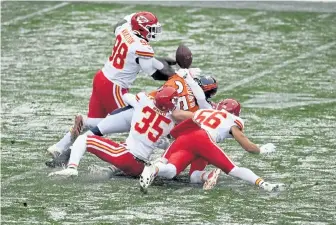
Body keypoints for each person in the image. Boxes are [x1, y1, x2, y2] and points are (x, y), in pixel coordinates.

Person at [47, 11, 174, 159]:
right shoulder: (143, 48)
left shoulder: (125, 29)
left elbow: (120, 23)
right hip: (115, 86)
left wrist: (161, 63)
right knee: (127, 121)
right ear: (141, 28)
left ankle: (59, 147)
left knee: (95, 125)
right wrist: (174, 76)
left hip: (102, 77)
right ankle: (86, 128)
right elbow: (154, 73)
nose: (154, 32)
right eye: (151, 28)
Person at [45, 69, 218, 169]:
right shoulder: (197, 109)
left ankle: (65, 145)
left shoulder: (179, 78)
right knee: (97, 134)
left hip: (139, 108)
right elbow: (180, 122)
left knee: (99, 130)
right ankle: (66, 151)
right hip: (153, 120)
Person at [140, 99, 286, 192]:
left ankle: (156, 168)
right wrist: (259, 150)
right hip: (203, 139)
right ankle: (263, 184)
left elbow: (178, 115)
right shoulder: (231, 119)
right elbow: (246, 145)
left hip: (185, 136)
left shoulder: (203, 111)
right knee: (233, 169)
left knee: (173, 171)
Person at [48, 86, 180, 177]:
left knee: (84, 139)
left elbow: (126, 96)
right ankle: (110, 170)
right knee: (125, 144)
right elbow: (163, 143)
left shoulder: (143, 100)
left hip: (126, 157)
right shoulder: (170, 123)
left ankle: (71, 168)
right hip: (140, 167)